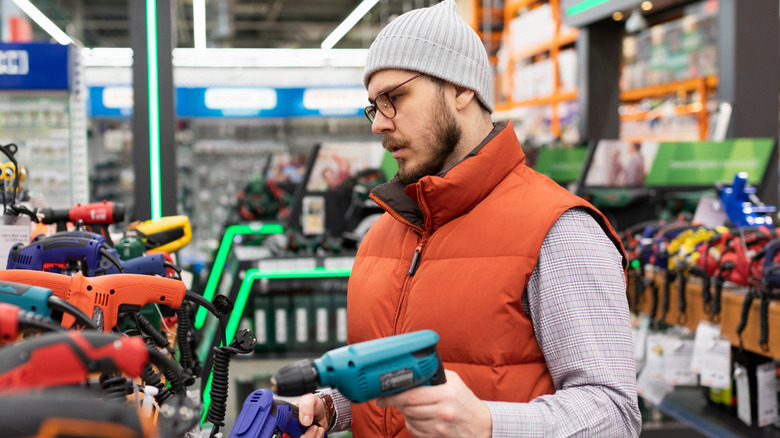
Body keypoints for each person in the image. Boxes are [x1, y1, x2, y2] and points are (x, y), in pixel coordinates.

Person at [297, 1, 641, 436]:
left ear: (461, 89)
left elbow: (614, 413)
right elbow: (397, 381)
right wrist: (333, 405)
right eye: (374, 106)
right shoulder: (383, 233)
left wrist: (489, 425)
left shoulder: (558, 230)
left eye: (394, 98)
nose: (378, 124)